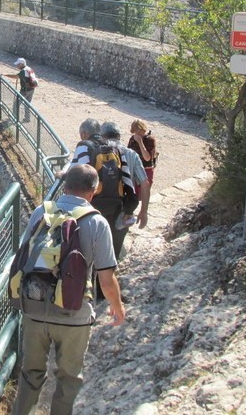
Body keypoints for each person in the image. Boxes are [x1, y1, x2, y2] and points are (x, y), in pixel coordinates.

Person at [12, 164, 125, 415]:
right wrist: (117, 308)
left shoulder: (42, 211)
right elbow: (106, 279)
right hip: (73, 313)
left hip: (34, 307)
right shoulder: (97, 222)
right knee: (69, 378)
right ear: (93, 191)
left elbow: (24, 252)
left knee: (30, 373)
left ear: (64, 186)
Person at [61, 118, 140, 261]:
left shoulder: (84, 146)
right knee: (107, 245)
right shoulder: (113, 148)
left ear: (84, 133)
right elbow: (126, 177)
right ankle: (104, 275)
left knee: (87, 247)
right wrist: (130, 207)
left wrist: (62, 174)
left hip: (92, 204)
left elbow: (76, 173)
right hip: (114, 205)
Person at [101, 121, 150, 231]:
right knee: (117, 241)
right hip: (125, 209)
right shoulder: (132, 155)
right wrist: (144, 211)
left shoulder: (98, 152)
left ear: (102, 136)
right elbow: (145, 184)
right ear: (119, 136)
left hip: (100, 207)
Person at [4, 57, 36, 122]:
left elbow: (15, 76)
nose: (17, 66)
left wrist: (6, 75)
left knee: (16, 104)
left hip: (25, 90)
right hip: (32, 89)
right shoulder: (29, 69)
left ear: (21, 64)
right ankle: (27, 118)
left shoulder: (23, 71)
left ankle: (14, 117)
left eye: (18, 64)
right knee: (27, 104)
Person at [128, 119, 158, 186]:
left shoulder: (150, 140)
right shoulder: (132, 139)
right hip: (135, 170)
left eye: (139, 131)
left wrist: (140, 142)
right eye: (135, 131)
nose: (137, 134)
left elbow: (147, 158)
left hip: (146, 170)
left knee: (144, 193)